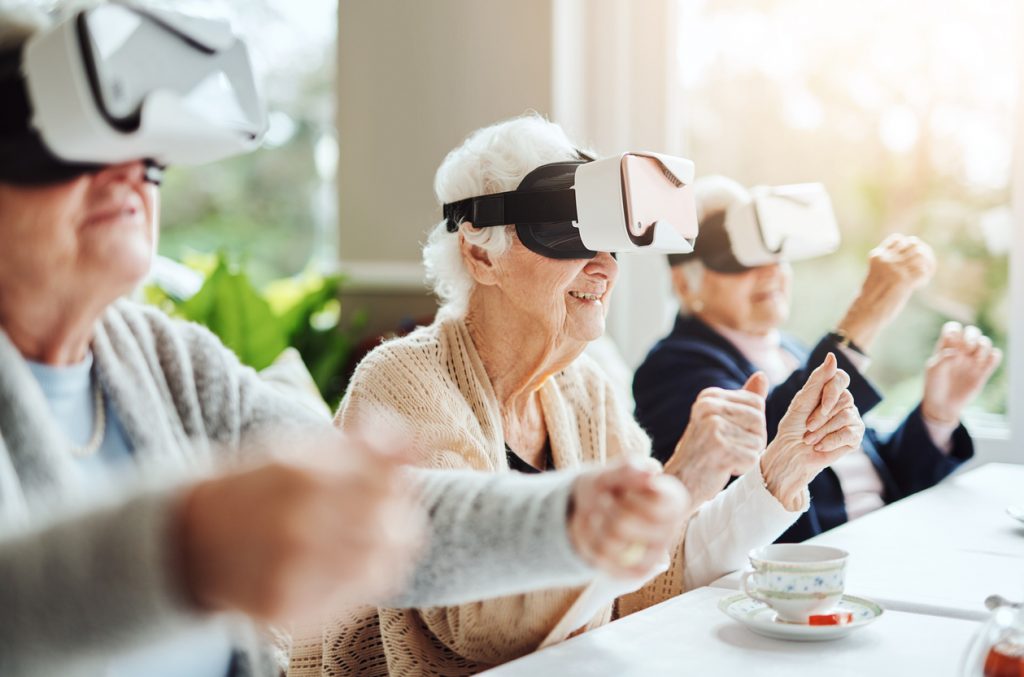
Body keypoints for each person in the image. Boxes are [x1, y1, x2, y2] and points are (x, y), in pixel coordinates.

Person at [0, 6, 696, 676]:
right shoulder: (409, 374)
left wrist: (572, 518)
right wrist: (177, 551)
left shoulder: (169, 360)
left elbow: (394, 511)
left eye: (144, 156)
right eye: (54, 144)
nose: (124, 169)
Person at [326, 114, 866, 675]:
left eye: (609, 242)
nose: (605, 265)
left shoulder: (583, 389)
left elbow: (650, 579)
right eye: (569, 237)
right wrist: (677, 485)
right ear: (480, 255)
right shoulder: (404, 383)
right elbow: (479, 626)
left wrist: (778, 472)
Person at [634, 175, 1001, 542]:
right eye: (739, 259)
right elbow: (774, 449)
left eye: (776, 252)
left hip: (888, 540)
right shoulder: (673, 366)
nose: (771, 270)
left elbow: (884, 475)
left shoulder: (792, 352)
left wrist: (938, 413)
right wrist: (866, 315)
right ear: (685, 283)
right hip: (816, 566)